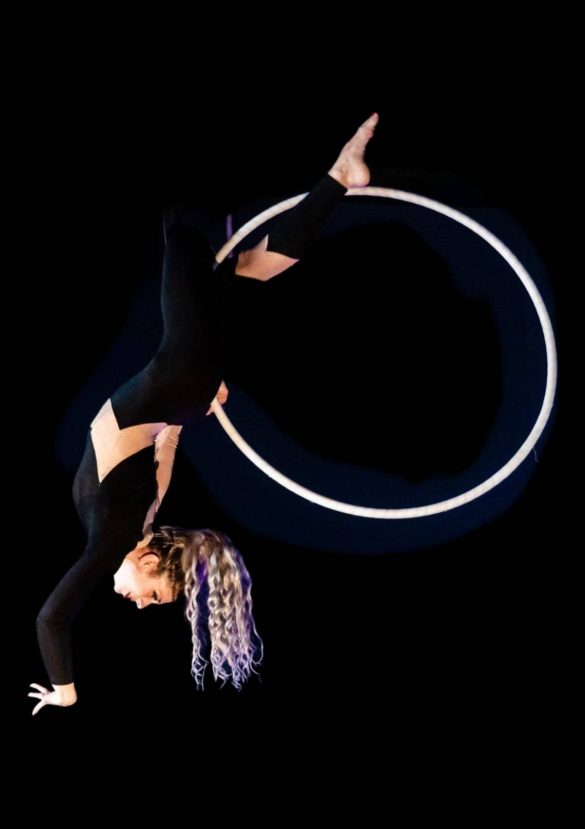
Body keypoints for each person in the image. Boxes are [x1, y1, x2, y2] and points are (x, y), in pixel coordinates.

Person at [29, 112, 380, 715]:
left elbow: (164, 440)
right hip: (182, 369)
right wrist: (66, 691)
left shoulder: (142, 514)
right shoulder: (114, 538)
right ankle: (326, 173)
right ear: (148, 560)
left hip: (185, 383)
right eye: (156, 597)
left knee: (247, 267)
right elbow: (51, 617)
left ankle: (341, 176)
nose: (140, 605)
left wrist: (199, 402)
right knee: (182, 226)